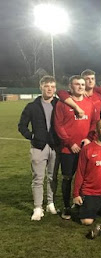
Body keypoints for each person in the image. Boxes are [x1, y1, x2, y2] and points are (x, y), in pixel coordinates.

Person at [54, 75, 96, 220]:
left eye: (82, 84)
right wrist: (70, 143)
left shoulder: (90, 103)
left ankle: (80, 204)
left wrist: (89, 138)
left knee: (85, 178)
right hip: (68, 150)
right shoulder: (62, 104)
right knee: (67, 178)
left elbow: (94, 123)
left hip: (85, 149)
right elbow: (58, 126)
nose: (80, 87)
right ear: (70, 87)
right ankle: (66, 207)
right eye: (77, 84)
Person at [18, 75, 60, 221]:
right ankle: (37, 207)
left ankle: (50, 203)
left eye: (52, 86)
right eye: (47, 86)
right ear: (41, 87)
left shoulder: (60, 104)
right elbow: (21, 126)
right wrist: (32, 136)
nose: (50, 89)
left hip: (55, 146)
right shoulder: (32, 106)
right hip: (38, 146)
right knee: (38, 178)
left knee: (52, 177)